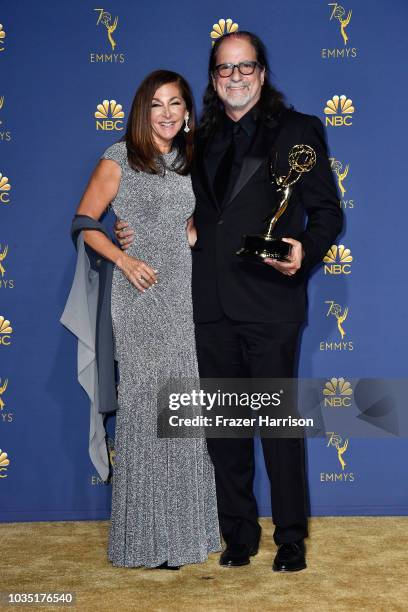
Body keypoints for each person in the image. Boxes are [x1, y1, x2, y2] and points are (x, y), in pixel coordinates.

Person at [115, 32, 343, 572]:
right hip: (208, 305)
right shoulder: (200, 138)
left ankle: (290, 538)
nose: (235, 78)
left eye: (245, 68)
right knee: (224, 431)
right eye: (224, 70)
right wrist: (134, 233)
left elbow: (328, 213)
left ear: (262, 74)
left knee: (279, 428)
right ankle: (237, 533)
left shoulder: (298, 130)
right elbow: (171, 207)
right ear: (214, 80)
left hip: (269, 303)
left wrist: (303, 249)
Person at [72, 70, 221, 569]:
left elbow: (200, 220)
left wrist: (192, 236)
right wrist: (123, 258)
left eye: (175, 104)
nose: (166, 113)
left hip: (182, 294)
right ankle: (142, 540)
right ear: (143, 110)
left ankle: (181, 538)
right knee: (142, 411)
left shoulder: (190, 160)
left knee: (178, 410)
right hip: (138, 296)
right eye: (156, 104)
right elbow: (83, 221)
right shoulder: (119, 158)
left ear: (187, 112)